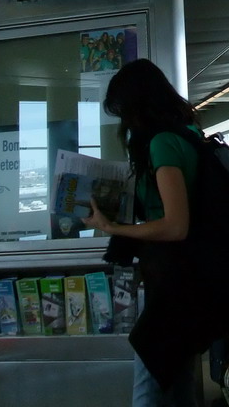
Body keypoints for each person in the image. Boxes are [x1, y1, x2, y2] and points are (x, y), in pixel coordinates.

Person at [81, 58, 203, 407]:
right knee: (179, 383)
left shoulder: (163, 143)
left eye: (124, 113)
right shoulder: (188, 132)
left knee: (147, 385)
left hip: (173, 280)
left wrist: (112, 227)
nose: (125, 123)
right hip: (190, 276)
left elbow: (175, 224)